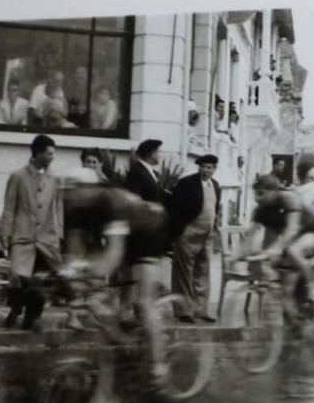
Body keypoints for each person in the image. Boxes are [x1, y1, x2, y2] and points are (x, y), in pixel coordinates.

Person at [58, 166, 172, 376]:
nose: (69, 195)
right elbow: (73, 250)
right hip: (124, 235)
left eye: (74, 191)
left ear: (89, 189)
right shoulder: (74, 206)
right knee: (96, 295)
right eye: (67, 191)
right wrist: (70, 274)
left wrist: (88, 272)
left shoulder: (111, 201)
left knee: (144, 303)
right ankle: (122, 340)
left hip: (149, 234)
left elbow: (114, 254)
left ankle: (159, 364)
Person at [0, 134, 63, 330]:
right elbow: (9, 207)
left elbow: (57, 208)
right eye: (49, 153)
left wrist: (58, 234)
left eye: (53, 154)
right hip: (22, 235)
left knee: (40, 279)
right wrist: (5, 233)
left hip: (46, 237)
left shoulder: (55, 178)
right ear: (38, 154)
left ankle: (32, 316)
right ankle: (16, 308)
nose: (52, 157)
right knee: (19, 277)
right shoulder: (18, 176)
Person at [245, 174, 314, 320]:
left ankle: (313, 289)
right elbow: (249, 236)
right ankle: (296, 321)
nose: (257, 198)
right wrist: (237, 255)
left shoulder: (289, 199)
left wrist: (273, 250)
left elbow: (292, 229)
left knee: (293, 251)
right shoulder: (260, 210)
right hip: (292, 241)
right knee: (287, 292)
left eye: (261, 193)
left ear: (273, 192)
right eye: (255, 194)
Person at [166, 154, 222, 323]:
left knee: (203, 273)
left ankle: (200, 310)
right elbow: (174, 209)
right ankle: (184, 311)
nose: (206, 170)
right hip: (188, 234)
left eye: (210, 167)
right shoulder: (187, 183)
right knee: (184, 274)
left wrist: (215, 232)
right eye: (203, 166)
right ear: (199, 167)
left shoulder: (216, 186)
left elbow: (216, 210)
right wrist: (179, 232)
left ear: (214, 169)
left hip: (207, 235)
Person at [127, 138, 164, 204]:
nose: (161, 155)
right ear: (152, 154)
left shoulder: (149, 171)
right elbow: (135, 200)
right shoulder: (137, 172)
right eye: (159, 152)